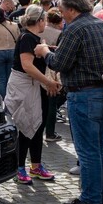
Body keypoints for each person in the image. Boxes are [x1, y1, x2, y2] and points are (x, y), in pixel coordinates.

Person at [35, 0, 103, 204]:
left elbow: (60, 63)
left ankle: (90, 202)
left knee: (88, 152)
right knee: (99, 149)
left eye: (62, 12)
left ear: (72, 9)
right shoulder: (101, 25)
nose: (61, 16)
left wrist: (44, 52)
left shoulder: (75, 29)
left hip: (84, 96)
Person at [3, 5, 60, 185]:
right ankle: (19, 167)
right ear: (40, 21)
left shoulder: (35, 37)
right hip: (26, 86)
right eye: (45, 20)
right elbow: (27, 65)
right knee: (27, 126)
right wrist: (48, 82)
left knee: (38, 126)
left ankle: (36, 166)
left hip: (36, 86)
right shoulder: (27, 37)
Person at [41, 10, 65, 142]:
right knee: (51, 103)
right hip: (51, 70)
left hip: (38, 70)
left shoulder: (39, 29)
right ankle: (50, 132)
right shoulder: (59, 34)